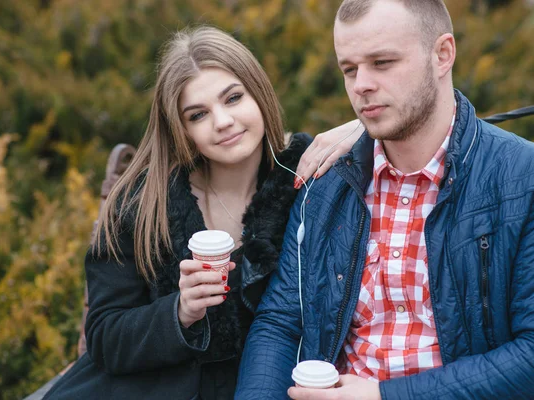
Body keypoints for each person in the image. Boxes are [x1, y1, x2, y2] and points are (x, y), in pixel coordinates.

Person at [235, 0, 534, 399]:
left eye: (382, 62)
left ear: (442, 55)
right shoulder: (325, 183)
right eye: (349, 69)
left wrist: (384, 396)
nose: (361, 85)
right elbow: (280, 323)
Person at [41, 26, 363, 400]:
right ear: (180, 129)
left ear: (258, 92)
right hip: (146, 387)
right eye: (198, 115)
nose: (223, 121)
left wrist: (366, 129)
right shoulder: (143, 203)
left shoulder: (308, 177)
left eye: (233, 98)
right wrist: (179, 311)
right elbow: (103, 335)